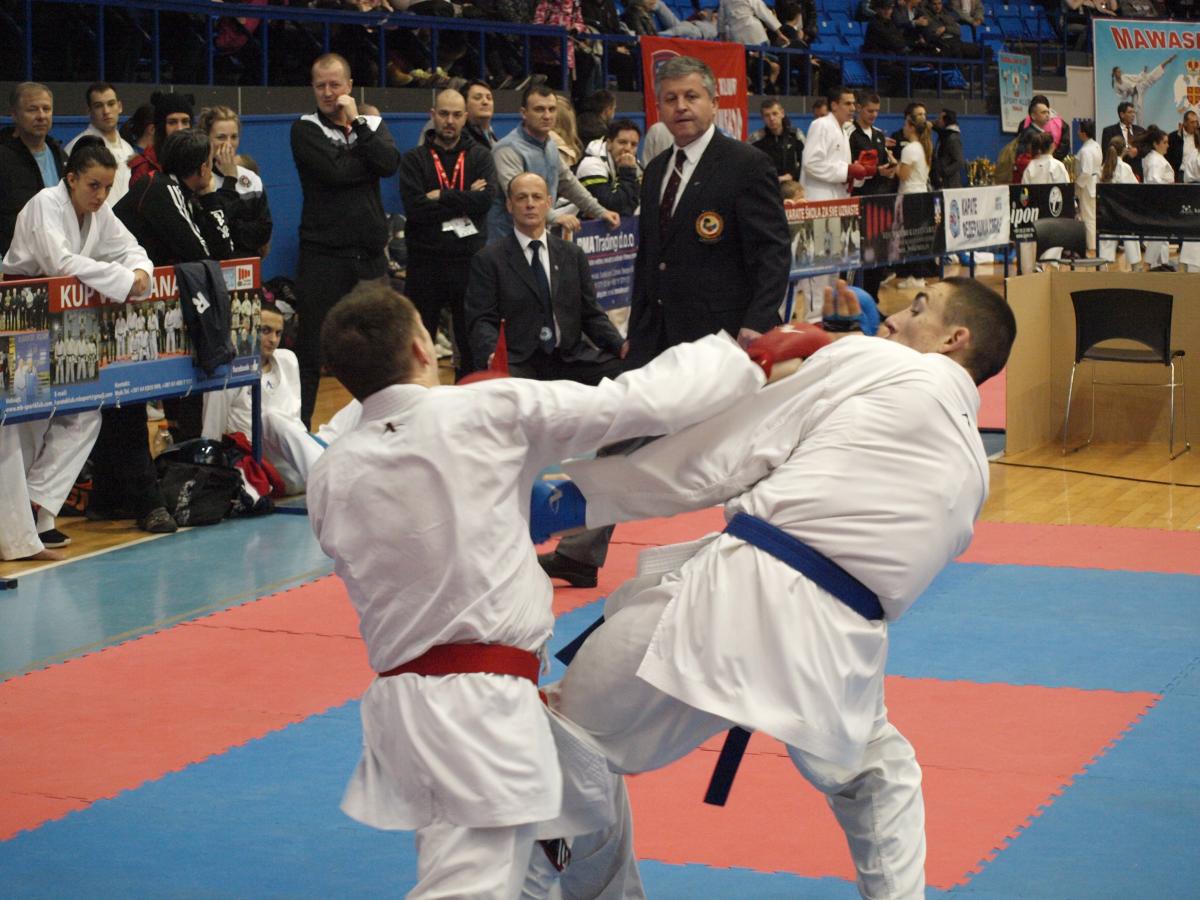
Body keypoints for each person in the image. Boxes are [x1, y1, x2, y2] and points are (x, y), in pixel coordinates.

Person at [307, 280, 810, 900]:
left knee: (561, 824)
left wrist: (491, 509)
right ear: (420, 347)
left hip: (408, 708)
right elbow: (636, 402)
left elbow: (412, 540)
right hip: (479, 704)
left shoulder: (330, 472)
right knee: (472, 884)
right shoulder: (479, 412)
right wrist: (745, 360)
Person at [542, 278, 1017, 900]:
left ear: (955, 339)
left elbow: (727, 454)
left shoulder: (884, 362)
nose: (896, 316)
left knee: (563, 740)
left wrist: (578, 501)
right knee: (876, 772)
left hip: (732, 603)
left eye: (919, 308)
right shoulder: (975, 473)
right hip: (841, 647)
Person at [540, 56, 791, 588]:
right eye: (671, 99)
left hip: (724, 341)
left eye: (691, 97)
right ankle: (580, 550)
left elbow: (772, 253)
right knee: (619, 436)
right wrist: (635, 335)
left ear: (714, 103)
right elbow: (648, 260)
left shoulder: (745, 165)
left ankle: (771, 556)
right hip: (658, 334)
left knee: (744, 454)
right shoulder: (655, 170)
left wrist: (756, 324)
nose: (681, 107)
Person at [1, 137, 153, 558]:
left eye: (106, 187)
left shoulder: (99, 213)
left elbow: (132, 249)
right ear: (71, 179)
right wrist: (125, 280)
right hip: (22, 314)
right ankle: (18, 530)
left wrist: (141, 271)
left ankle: (38, 505)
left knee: (85, 413)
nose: (101, 196)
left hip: (64, 322)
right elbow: (62, 264)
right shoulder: (44, 205)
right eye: (93, 186)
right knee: (24, 424)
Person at [103, 129, 236, 533]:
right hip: (118, 309)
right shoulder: (162, 190)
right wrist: (211, 194)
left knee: (126, 407)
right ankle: (141, 500)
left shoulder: (175, 191)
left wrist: (209, 197)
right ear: (202, 166)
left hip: (129, 307)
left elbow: (220, 251)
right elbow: (205, 253)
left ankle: (110, 498)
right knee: (124, 404)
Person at [291, 53, 401, 427]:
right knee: (310, 351)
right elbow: (335, 172)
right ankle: (300, 433)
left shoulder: (371, 123)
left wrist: (357, 125)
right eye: (320, 85)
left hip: (369, 258)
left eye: (334, 85)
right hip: (323, 257)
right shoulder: (304, 129)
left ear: (349, 87)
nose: (327, 92)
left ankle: (384, 428)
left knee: (381, 350)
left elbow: (388, 163)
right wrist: (365, 159)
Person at [465, 172, 627, 384]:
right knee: (504, 383)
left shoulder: (572, 254)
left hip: (569, 358)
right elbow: (481, 320)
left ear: (548, 203)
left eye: (537, 197)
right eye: (521, 198)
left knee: (625, 369)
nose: (530, 204)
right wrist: (492, 354)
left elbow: (591, 314)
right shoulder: (488, 259)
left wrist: (619, 344)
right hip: (519, 361)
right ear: (509, 205)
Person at [398, 88, 497, 381]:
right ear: (433, 115)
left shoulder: (480, 156)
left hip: (468, 262)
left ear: (465, 117)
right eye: (443, 114)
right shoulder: (414, 159)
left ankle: (467, 399)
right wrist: (465, 197)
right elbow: (416, 209)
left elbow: (485, 202)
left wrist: (441, 195)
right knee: (419, 341)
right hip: (425, 263)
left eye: (456, 115)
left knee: (470, 343)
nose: (449, 121)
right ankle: (420, 398)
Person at [201, 302, 326, 494]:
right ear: (246, 328)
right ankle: (330, 476)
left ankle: (336, 468)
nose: (273, 339)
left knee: (358, 408)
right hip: (263, 468)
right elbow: (212, 433)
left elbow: (296, 422)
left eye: (278, 333)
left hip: (302, 457)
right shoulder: (227, 370)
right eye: (265, 331)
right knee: (270, 418)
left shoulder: (288, 360)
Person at [487, 83, 620, 240]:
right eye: (539, 109)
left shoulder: (550, 144)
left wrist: (600, 211)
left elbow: (568, 182)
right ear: (524, 113)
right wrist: (555, 217)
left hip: (536, 235)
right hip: (505, 239)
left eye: (552, 109)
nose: (547, 115)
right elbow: (519, 196)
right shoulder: (507, 149)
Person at [801, 86, 874, 319]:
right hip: (819, 203)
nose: (853, 108)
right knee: (818, 267)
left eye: (854, 104)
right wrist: (847, 170)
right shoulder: (821, 125)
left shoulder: (843, 130)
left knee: (834, 266)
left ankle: (830, 315)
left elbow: (840, 172)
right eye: (847, 103)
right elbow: (811, 163)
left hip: (836, 203)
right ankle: (814, 318)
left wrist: (858, 174)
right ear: (834, 105)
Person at [197, 106, 273, 260]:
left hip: (247, 262)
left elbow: (263, 231)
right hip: (213, 263)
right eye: (221, 137)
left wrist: (233, 227)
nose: (228, 144)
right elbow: (213, 230)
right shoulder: (200, 178)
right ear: (206, 138)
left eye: (234, 137)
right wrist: (230, 179)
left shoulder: (251, 179)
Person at [0, 82, 65, 256]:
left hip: (56, 255)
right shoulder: (4, 158)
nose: (41, 116)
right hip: (14, 259)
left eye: (46, 109)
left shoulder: (60, 155)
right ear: (14, 114)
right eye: (32, 109)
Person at [63, 83, 137, 207]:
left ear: (119, 107)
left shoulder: (127, 148)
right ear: (89, 111)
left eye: (111, 104)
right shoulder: (77, 148)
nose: (106, 111)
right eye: (98, 106)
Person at [576, 118, 642, 216]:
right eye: (622, 142)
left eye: (633, 144)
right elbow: (611, 207)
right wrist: (627, 172)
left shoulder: (633, 164)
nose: (628, 148)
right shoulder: (591, 165)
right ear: (609, 144)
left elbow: (637, 202)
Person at [127, 91, 193, 187]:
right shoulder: (145, 169)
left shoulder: (197, 164)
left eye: (185, 122)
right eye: (172, 122)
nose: (180, 128)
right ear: (160, 127)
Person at [1097, 136, 1141, 268]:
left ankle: (1103, 266)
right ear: (1123, 150)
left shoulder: (1103, 168)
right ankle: (1135, 265)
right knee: (1131, 235)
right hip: (1124, 212)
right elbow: (1135, 189)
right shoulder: (1125, 168)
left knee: (1107, 238)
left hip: (1108, 212)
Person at [1136, 125, 1176, 271]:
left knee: (1162, 235)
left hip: (1159, 200)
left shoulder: (1154, 157)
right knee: (1159, 234)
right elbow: (1153, 180)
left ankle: (1160, 264)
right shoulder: (1155, 160)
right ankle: (1148, 264)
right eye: (1164, 142)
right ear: (1155, 144)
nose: (1167, 145)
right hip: (1159, 200)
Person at [1112, 55, 1176, 129]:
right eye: (1118, 72)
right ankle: (1137, 129)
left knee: (1151, 76)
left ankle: (1167, 61)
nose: (1120, 73)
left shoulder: (1124, 77)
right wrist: (1126, 92)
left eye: (1120, 71)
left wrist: (1143, 73)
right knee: (1136, 110)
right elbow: (1122, 97)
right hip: (1134, 95)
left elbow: (1135, 77)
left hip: (1139, 86)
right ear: (1114, 73)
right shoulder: (1115, 85)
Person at [750, 98, 804, 183]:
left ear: (782, 113)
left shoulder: (796, 135)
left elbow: (806, 161)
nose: (771, 118)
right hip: (767, 186)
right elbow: (750, 167)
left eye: (775, 114)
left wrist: (793, 176)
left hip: (792, 185)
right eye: (767, 115)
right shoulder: (756, 139)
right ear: (762, 118)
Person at [1075, 119, 1102, 254]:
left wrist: (1076, 185)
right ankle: (1093, 243)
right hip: (1095, 183)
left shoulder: (1086, 150)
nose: (1077, 132)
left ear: (1083, 133)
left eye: (1079, 130)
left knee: (1088, 216)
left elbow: (1086, 171)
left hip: (1087, 185)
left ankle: (1091, 246)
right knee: (1092, 216)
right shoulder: (1096, 146)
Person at [1101, 102, 1146, 181]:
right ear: (1122, 114)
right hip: (1117, 171)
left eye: (1134, 112)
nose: (1133, 115)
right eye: (1130, 112)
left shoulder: (1140, 130)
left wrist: (1137, 151)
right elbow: (1106, 151)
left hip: (1136, 172)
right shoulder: (1109, 131)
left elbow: (1146, 148)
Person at [932, 107, 965, 189]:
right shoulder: (945, 135)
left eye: (940, 118)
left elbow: (959, 162)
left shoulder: (952, 138)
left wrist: (944, 172)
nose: (937, 120)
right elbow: (938, 129)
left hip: (950, 184)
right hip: (944, 182)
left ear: (946, 121)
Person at [460, 80, 498, 149]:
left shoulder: (491, 135)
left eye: (489, 98)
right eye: (478, 98)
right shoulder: (461, 139)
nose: (485, 102)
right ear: (464, 104)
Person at [1165, 109, 1200, 182]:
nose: (1195, 125)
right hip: (1180, 174)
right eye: (1192, 122)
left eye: (1196, 122)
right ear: (1185, 123)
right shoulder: (1174, 137)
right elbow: (1168, 156)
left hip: (1197, 174)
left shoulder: (1199, 136)